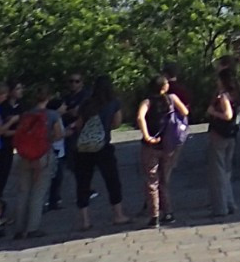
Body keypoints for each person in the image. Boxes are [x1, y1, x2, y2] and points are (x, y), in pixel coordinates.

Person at [69, 73, 128, 231]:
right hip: (103, 147)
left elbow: (80, 125)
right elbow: (116, 124)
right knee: (112, 180)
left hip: (83, 149)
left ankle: (85, 220)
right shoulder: (113, 103)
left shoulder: (86, 103)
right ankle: (118, 214)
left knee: (83, 183)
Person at [5, 85, 61, 240]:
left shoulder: (26, 115)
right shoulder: (52, 115)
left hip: (24, 156)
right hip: (43, 155)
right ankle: (32, 228)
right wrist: (47, 139)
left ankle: (18, 229)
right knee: (38, 192)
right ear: (48, 98)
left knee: (23, 192)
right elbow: (59, 134)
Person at [135, 73, 188, 228]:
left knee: (152, 180)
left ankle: (154, 215)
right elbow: (185, 112)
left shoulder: (147, 102)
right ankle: (169, 212)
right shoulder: (172, 98)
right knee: (164, 179)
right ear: (164, 87)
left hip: (151, 146)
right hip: (168, 144)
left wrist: (147, 136)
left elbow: (140, 117)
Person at [46, 72, 88, 213]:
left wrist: (71, 115)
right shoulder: (65, 97)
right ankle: (54, 198)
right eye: (71, 81)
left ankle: (83, 189)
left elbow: (78, 113)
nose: (73, 84)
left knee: (76, 163)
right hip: (64, 135)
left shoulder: (85, 96)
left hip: (77, 132)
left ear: (81, 83)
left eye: (76, 81)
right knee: (63, 167)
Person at [204, 66, 240, 217]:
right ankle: (230, 203)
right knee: (226, 171)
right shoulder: (237, 95)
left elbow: (227, 115)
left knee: (217, 173)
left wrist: (213, 112)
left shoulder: (223, 96)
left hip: (219, 135)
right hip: (231, 136)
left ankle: (220, 207)